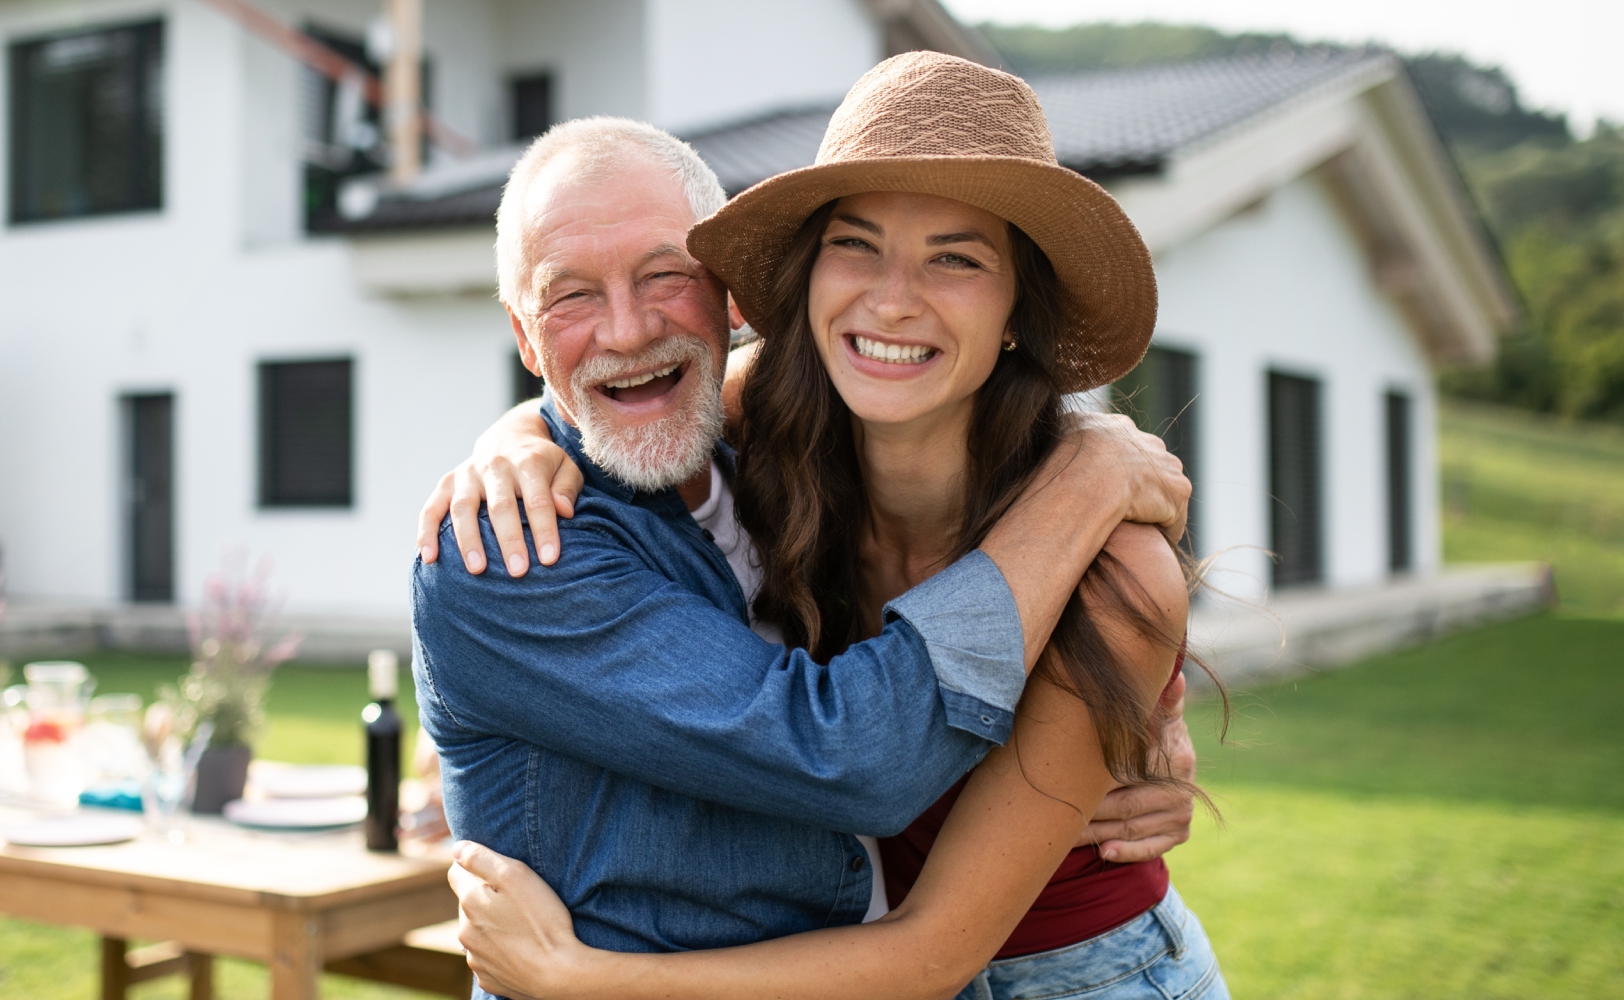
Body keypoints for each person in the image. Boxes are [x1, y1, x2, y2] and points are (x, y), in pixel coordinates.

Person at [426, 54, 1228, 1000]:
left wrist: (580, 980)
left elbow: (932, 947)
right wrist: (515, 432)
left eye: (958, 257)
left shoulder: (1111, 569)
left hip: (1085, 978)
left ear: (1020, 310)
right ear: (806, 282)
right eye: (856, 246)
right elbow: (616, 402)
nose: (893, 299)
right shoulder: (779, 440)